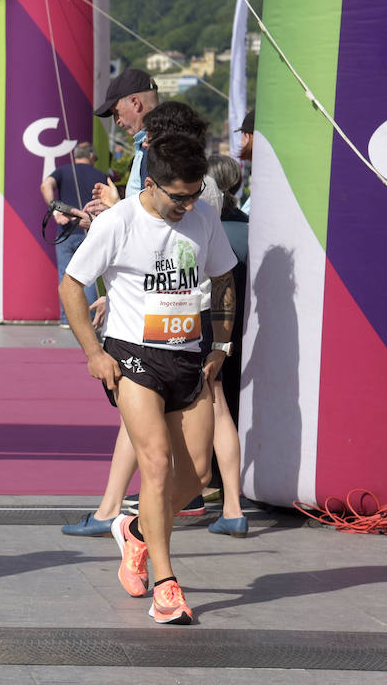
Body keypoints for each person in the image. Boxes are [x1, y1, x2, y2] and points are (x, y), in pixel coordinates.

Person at [61, 133, 237, 625]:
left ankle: (137, 531)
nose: (188, 204)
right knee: (156, 465)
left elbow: (222, 279)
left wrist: (221, 345)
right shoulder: (119, 222)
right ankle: (166, 585)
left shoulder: (203, 217)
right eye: (178, 195)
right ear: (152, 183)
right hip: (132, 356)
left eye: (195, 193)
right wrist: (94, 353)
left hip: (190, 356)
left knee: (198, 475)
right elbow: (71, 284)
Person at [203, 153, 250, 537]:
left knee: (169, 414)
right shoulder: (238, 228)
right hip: (219, 327)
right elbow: (226, 286)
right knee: (219, 410)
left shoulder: (190, 218)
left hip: (180, 324)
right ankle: (232, 505)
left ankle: (187, 494)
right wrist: (223, 341)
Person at [40, 142, 107, 325]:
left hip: (65, 232)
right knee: (89, 277)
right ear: (92, 156)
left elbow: (46, 185)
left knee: (66, 275)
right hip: (90, 231)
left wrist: (55, 211)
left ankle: (66, 319)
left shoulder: (62, 171)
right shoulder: (101, 175)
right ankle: (91, 319)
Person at [85, 69, 160, 216]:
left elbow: (152, 217)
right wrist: (116, 207)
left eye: (116, 112)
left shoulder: (157, 146)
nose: (116, 121)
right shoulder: (150, 143)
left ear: (135, 103)